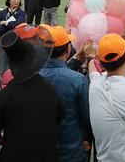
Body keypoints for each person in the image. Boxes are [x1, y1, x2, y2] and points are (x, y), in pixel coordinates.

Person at [0, 31, 63, 161]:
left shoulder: (3, 97)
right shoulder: (49, 89)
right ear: (34, 60)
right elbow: (60, 118)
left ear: (10, 66)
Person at [39, 26, 90, 162]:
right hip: (72, 150)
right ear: (68, 49)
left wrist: (75, 61)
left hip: (41, 150)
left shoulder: (33, 76)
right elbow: (87, 117)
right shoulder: (78, 80)